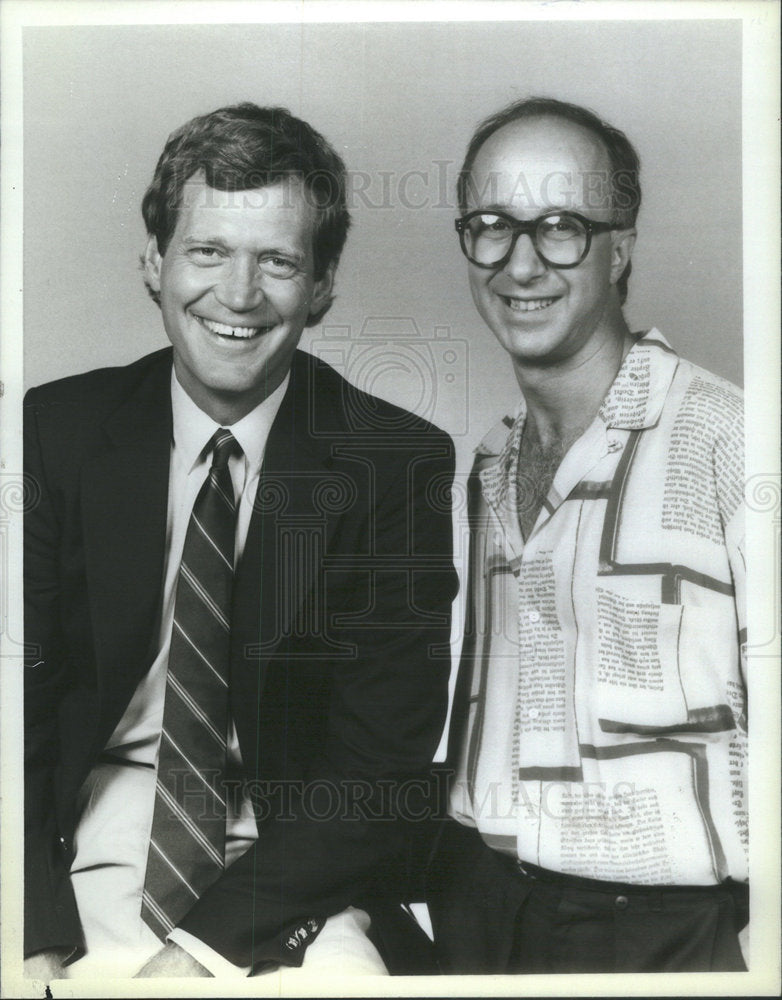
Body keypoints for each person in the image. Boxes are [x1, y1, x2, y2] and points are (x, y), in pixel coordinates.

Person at [24, 103, 457, 980]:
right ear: (154, 260)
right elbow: (14, 723)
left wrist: (197, 954)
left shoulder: (391, 463)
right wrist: (29, 937)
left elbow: (377, 769)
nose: (239, 294)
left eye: (279, 261)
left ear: (324, 285)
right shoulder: (55, 432)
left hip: (296, 870)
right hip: (87, 844)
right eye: (208, 250)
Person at [427, 97, 747, 974]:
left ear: (622, 246)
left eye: (562, 225)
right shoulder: (489, 460)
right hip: (479, 913)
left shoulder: (734, 442)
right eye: (491, 225)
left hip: (673, 936)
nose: (520, 262)